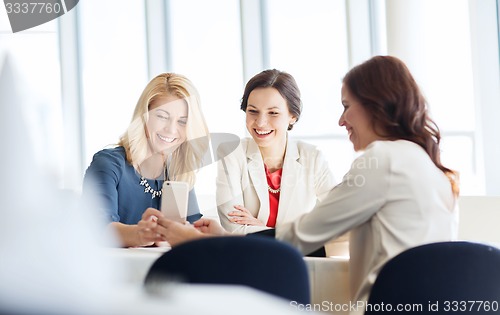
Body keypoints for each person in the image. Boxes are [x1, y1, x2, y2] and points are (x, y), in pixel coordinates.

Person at [154, 56, 460, 310]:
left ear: (374, 105)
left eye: (346, 105)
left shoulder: (381, 160)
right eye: (253, 111)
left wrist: (210, 242)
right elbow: (321, 231)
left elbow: (305, 232)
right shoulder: (426, 165)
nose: (341, 121)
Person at [83, 73, 210, 248]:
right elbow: (98, 229)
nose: (171, 129)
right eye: (162, 116)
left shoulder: (179, 171)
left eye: (182, 121)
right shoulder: (108, 164)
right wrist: (141, 235)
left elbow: (192, 231)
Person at [216, 69, 337, 234]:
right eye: (253, 111)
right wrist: (294, 233)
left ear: (292, 116)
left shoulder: (312, 157)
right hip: (248, 257)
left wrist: (261, 228)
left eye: (273, 113)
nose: (260, 122)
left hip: (298, 259)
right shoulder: (232, 153)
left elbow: (342, 218)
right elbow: (233, 228)